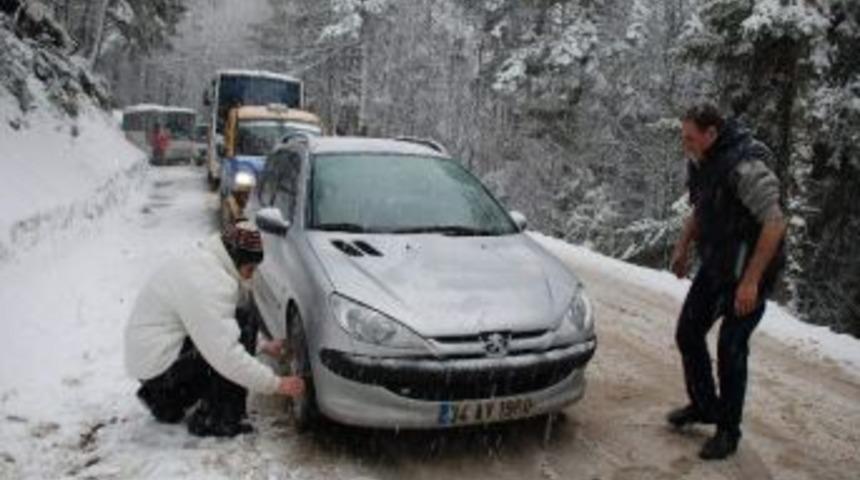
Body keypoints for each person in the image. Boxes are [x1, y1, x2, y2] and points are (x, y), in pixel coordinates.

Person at [668, 103, 787, 460]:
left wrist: (750, 282)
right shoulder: (702, 161)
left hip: (751, 272)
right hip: (718, 264)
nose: (684, 143)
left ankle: (728, 432)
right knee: (688, 333)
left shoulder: (745, 167)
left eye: (690, 137)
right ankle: (704, 405)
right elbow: (701, 207)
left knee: (731, 348)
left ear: (711, 134)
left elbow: (775, 223)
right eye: (683, 136)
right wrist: (683, 246)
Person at [124, 221, 304, 437]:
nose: (250, 276)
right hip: (161, 365)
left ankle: (165, 401)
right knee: (244, 322)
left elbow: (213, 325)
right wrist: (277, 384)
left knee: (229, 331)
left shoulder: (203, 262)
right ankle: (218, 419)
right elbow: (226, 353)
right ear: (236, 258)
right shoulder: (209, 281)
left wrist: (263, 346)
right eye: (249, 269)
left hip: (152, 363)